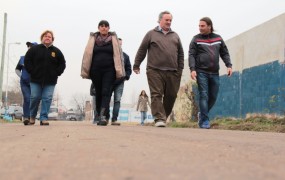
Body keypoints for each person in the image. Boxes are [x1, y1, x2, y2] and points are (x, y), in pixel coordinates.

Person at [133, 11, 184, 127]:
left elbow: (181, 54)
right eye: (167, 20)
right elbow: (142, 50)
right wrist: (136, 64)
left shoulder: (175, 35)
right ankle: (158, 118)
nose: (169, 22)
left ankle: (163, 117)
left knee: (171, 95)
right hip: (154, 70)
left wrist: (180, 70)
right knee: (156, 94)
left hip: (173, 71)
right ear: (160, 20)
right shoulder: (151, 34)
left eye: (170, 20)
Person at [189, 17, 233, 129]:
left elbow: (224, 53)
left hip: (214, 73)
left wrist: (229, 65)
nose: (200, 28)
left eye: (202, 26)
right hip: (201, 72)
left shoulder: (218, 38)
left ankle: (202, 115)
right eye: (199, 26)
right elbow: (191, 55)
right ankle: (205, 121)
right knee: (204, 95)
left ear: (209, 26)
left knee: (213, 96)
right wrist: (192, 69)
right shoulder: (196, 39)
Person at [81, 20, 125, 126]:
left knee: (106, 91)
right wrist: (86, 69)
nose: (104, 28)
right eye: (101, 26)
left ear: (109, 28)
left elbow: (119, 55)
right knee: (99, 92)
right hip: (95, 70)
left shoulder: (113, 39)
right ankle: (98, 114)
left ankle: (103, 116)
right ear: (98, 28)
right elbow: (87, 54)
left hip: (109, 70)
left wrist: (120, 71)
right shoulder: (93, 39)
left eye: (106, 26)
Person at [24, 30, 66, 126]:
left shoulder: (56, 51)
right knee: (34, 97)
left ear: (52, 39)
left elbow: (62, 64)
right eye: (45, 36)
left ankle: (43, 118)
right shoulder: (34, 49)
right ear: (42, 38)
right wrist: (32, 71)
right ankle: (32, 116)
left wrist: (57, 73)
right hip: (35, 79)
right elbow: (27, 61)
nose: (47, 38)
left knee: (47, 98)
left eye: (49, 37)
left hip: (50, 81)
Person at [105, 38, 132, 126]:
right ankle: (106, 118)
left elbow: (128, 68)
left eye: (120, 44)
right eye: (118, 44)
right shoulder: (109, 55)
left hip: (120, 82)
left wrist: (126, 76)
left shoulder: (126, 56)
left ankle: (114, 119)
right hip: (109, 81)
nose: (119, 46)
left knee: (117, 100)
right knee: (107, 99)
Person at [15, 41, 37, 124]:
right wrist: (22, 76)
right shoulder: (22, 58)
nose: (29, 48)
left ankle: (32, 116)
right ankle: (26, 117)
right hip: (24, 83)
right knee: (27, 98)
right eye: (29, 46)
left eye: (32, 46)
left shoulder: (38, 60)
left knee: (34, 99)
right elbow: (17, 69)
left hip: (35, 83)